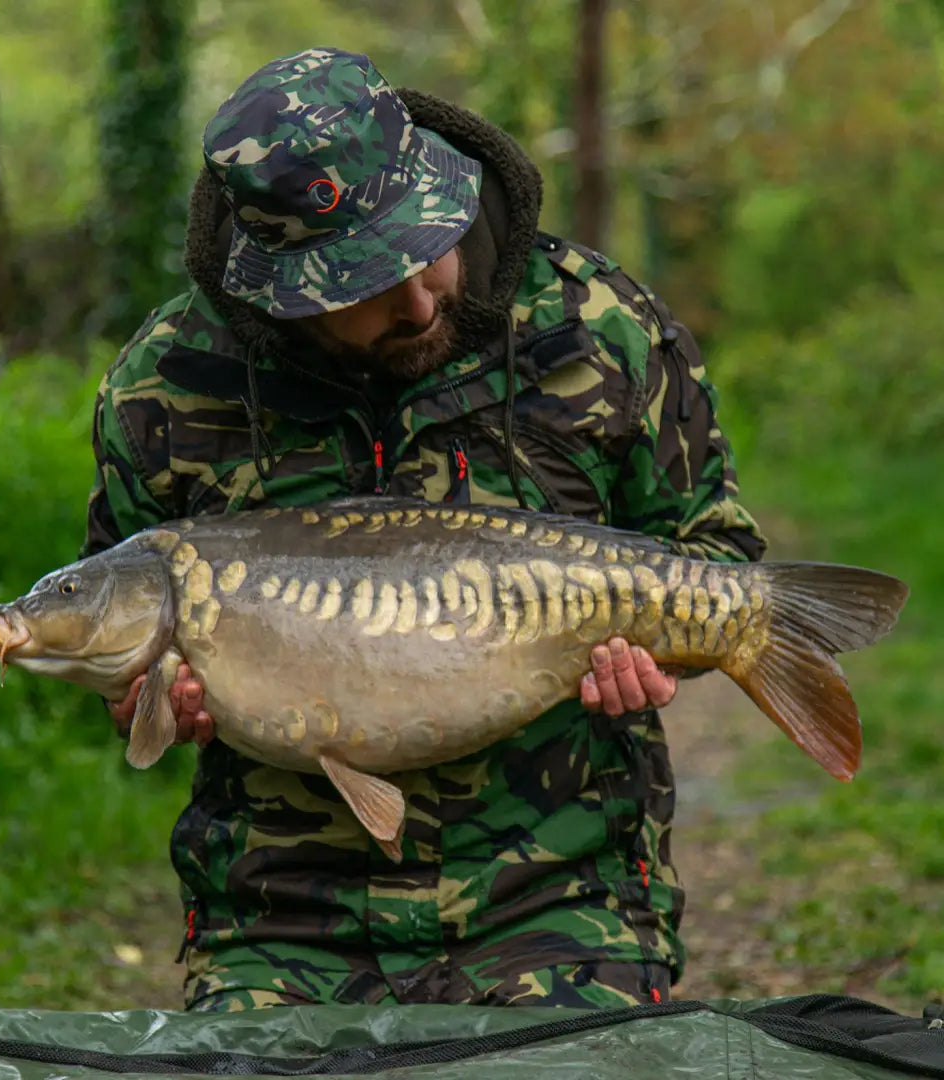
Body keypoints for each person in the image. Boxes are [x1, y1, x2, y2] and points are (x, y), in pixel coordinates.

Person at [83, 47, 766, 1012]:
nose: (414, 301)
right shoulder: (163, 384)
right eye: (360, 283)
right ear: (278, 282)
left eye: (424, 248)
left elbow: (716, 554)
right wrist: (148, 694)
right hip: (278, 916)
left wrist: (668, 656)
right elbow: (113, 611)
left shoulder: (602, 325)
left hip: (565, 895)